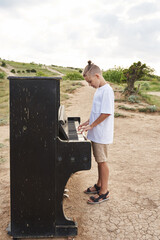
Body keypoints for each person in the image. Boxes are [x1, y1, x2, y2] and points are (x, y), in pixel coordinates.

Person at [78, 60, 114, 204]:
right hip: (96, 131)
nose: (90, 84)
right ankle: (99, 185)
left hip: (101, 133)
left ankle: (104, 192)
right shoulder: (99, 90)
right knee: (99, 161)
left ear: (97, 76)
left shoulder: (107, 91)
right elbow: (97, 111)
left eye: (90, 81)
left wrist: (92, 125)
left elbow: (106, 113)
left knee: (102, 162)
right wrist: (88, 122)